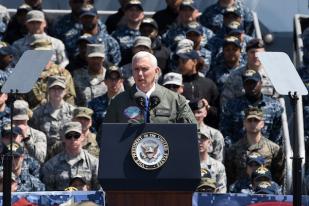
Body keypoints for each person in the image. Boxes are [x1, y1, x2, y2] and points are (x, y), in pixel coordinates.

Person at [104, 51, 196, 123]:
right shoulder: (118, 101)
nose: (140, 74)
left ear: (156, 71)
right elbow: (104, 135)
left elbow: (192, 132)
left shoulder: (176, 100)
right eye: (136, 69)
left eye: (145, 69)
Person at [220, 70, 283, 145]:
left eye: (254, 83)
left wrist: (270, 151)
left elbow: (277, 135)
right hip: (239, 153)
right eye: (248, 83)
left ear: (261, 83)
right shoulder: (232, 106)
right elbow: (225, 131)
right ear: (243, 85)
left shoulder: (274, 106)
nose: (251, 86)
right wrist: (234, 149)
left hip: (265, 152)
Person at [225, 107, 285, 185]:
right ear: (244, 123)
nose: (253, 123)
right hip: (240, 193)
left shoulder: (274, 149)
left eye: (256, 120)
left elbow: (278, 177)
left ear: (262, 124)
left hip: (265, 191)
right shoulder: (234, 149)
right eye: (249, 120)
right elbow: (230, 176)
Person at [41, 121, 100, 191]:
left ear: (82, 137)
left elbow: (99, 191)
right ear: (63, 138)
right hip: (60, 201)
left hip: (87, 201)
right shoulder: (51, 165)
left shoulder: (94, 163)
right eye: (69, 136)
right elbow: (47, 193)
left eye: (76, 136)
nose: (73, 139)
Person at [30, 76, 75, 160]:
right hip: (45, 156)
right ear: (48, 90)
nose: (57, 92)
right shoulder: (38, 113)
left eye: (60, 89)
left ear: (65, 91)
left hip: (67, 155)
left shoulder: (73, 112)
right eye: (53, 89)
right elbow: (33, 136)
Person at [221, 38, 275, 106]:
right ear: (246, 54)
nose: (256, 56)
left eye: (259, 53)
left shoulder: (273, 76)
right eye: (252, 52)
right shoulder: (235, 76)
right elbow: (225, 101)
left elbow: (279, 102)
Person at [177, 46, 219, 128]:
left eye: (184, 61)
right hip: (181, 129)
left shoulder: (209, 84)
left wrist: (208, 107)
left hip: (205, 133)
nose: (181, 64)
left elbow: (217, 113)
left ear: (194, 62)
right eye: (179, 61)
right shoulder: (176, 85)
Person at [88, 66, 124, 131]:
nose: (113, 82)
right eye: (110, 79)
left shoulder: (129, 103)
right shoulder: (94, 104)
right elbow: (91, 128)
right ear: (105, 81)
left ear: (121, 81)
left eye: (116, 79)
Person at [112, 0, 144, 66]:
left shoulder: (148, 33)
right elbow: (114, 57)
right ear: (125, 13)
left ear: (142, 14)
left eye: (138, 10)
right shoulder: (117, 34)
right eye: (131, 10)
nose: (134, 13)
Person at [198, 126, 227, 193]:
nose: (199, 141)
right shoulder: (187, 166)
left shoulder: (218, 166)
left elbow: (221, 192)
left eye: (203, 138)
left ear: (209, 142)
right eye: (196, 138)